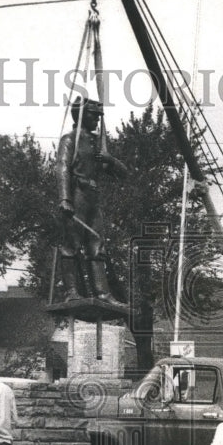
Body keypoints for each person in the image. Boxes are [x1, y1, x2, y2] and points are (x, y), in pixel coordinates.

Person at [56, 96, 128, 303]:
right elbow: (62, 167)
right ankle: (71, 292)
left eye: (98, 116)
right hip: (78, 193)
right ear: (80, 115)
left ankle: (103, 293)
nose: (97, 119)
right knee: (72, 243)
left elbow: (123, 174)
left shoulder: (97, 145)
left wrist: (110, 160)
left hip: (93, 198)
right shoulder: (70, 140)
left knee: (97, 244)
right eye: (92, 115)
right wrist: (65, 198)